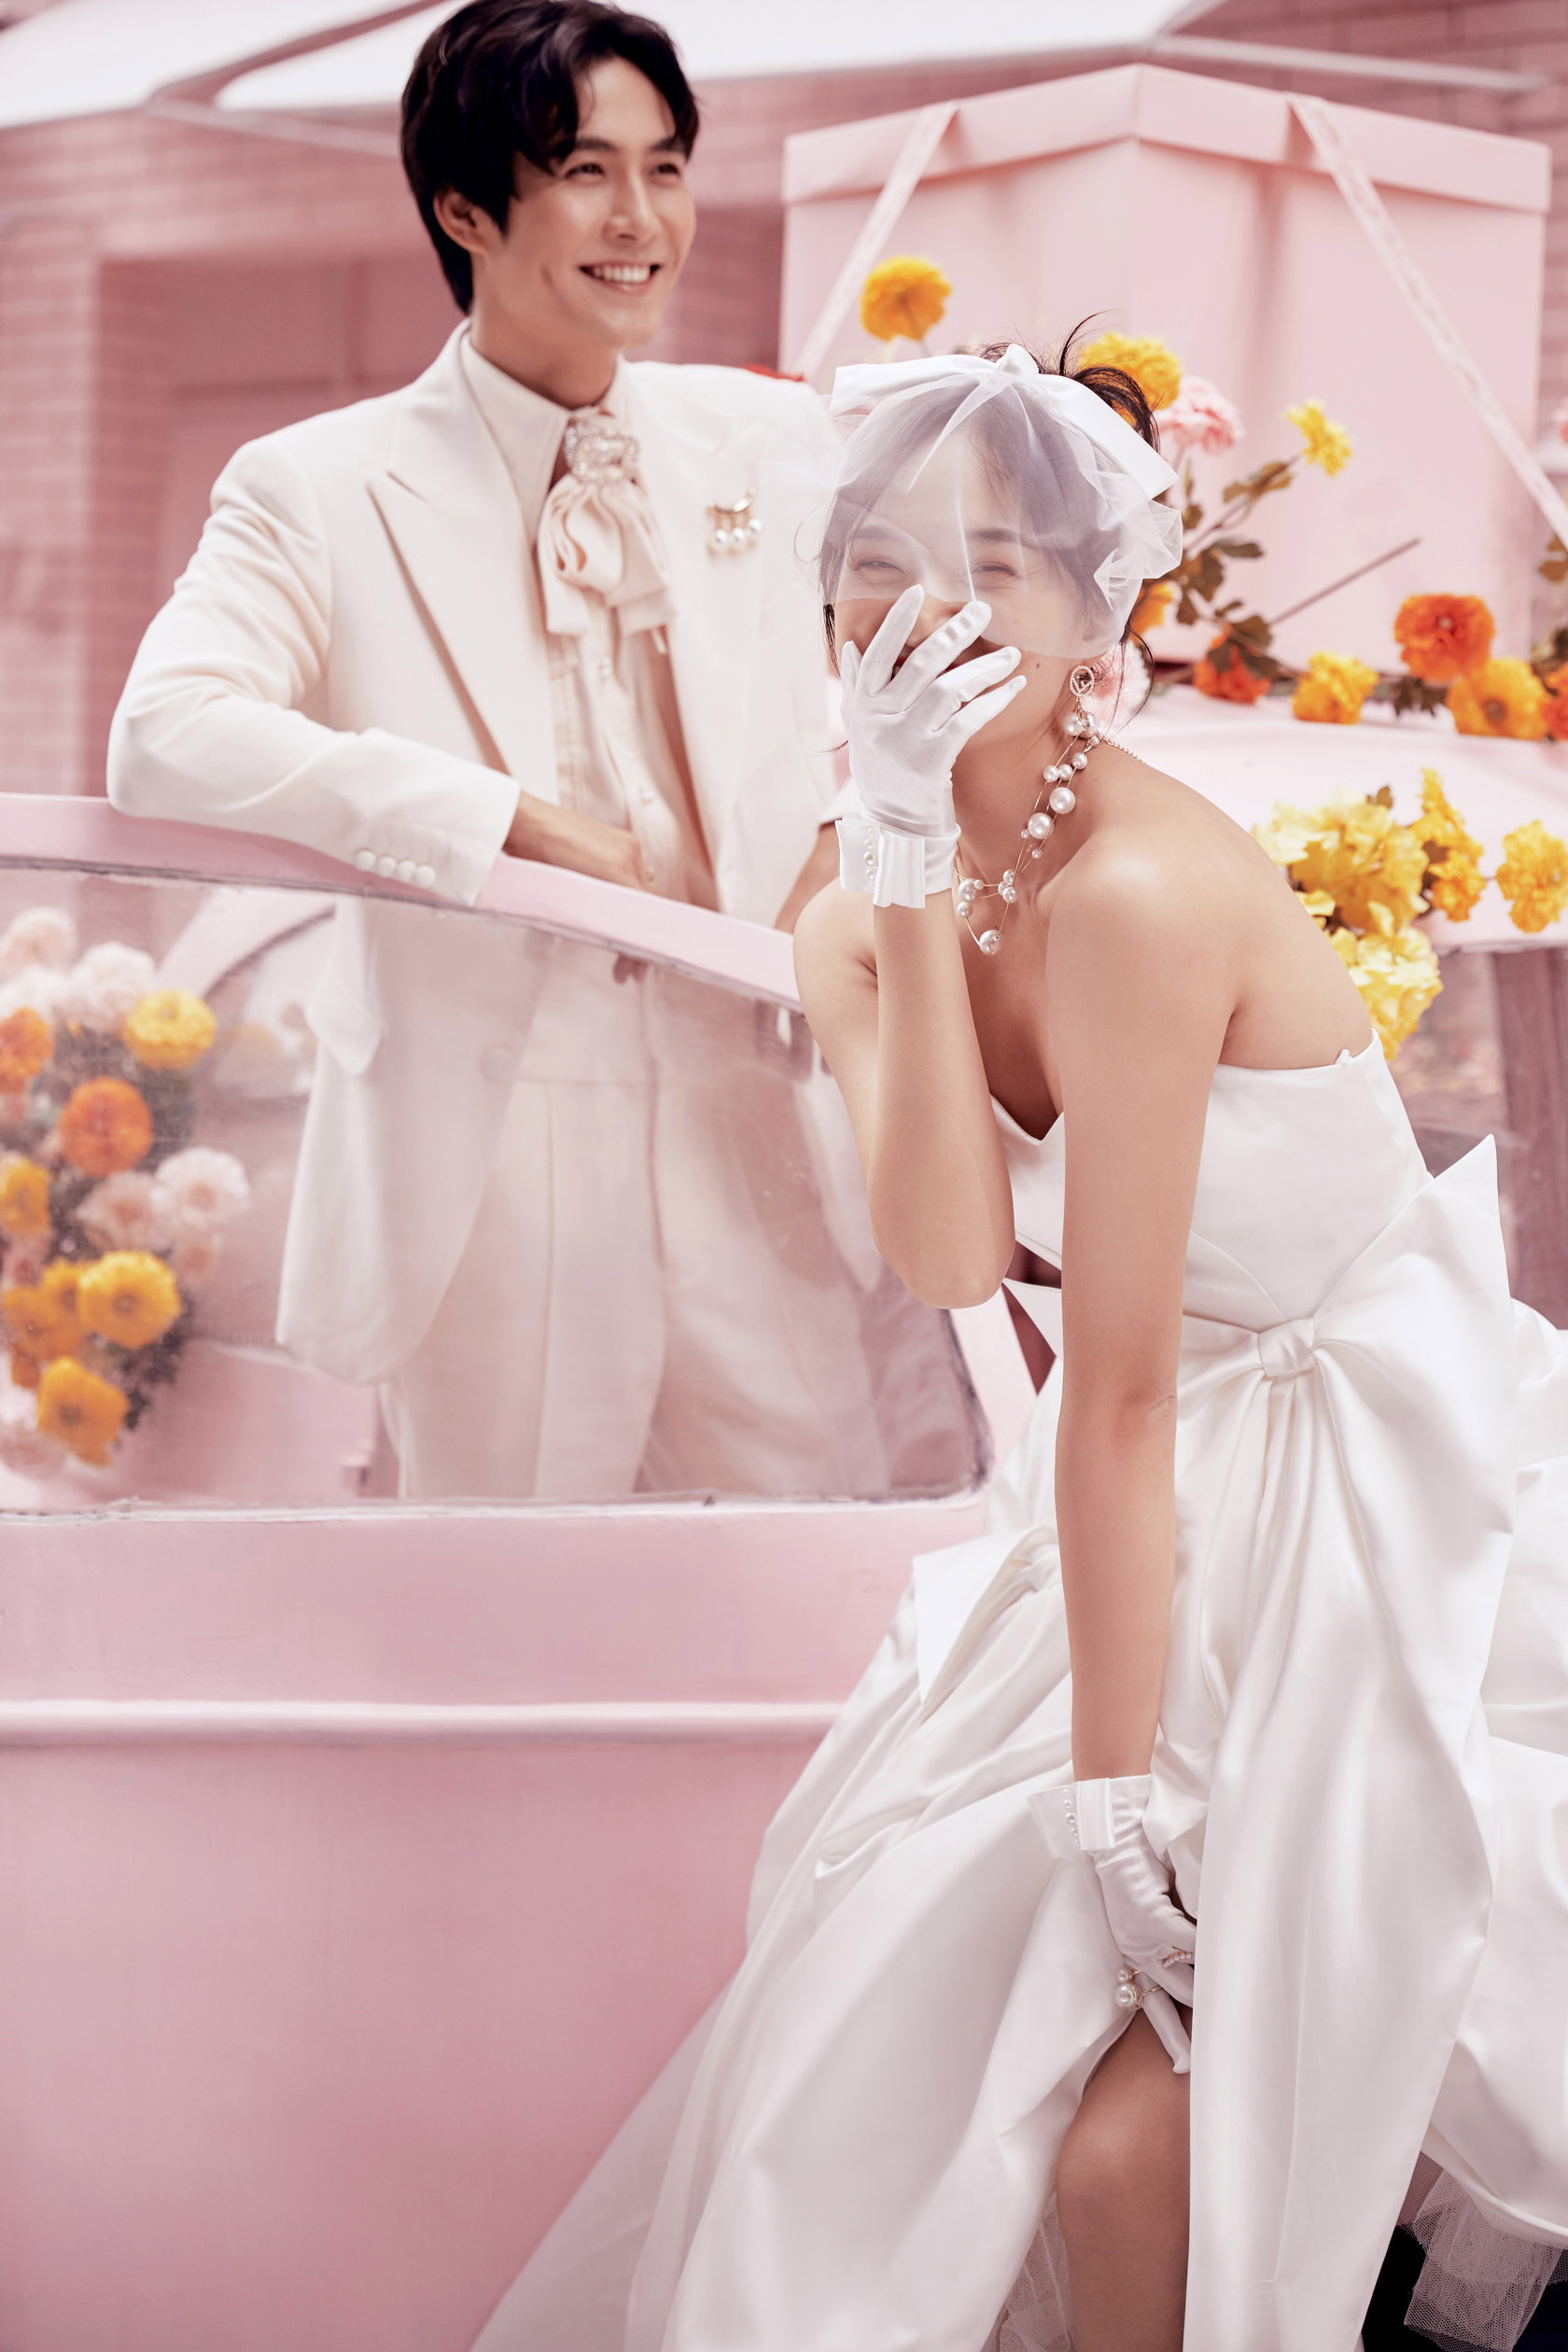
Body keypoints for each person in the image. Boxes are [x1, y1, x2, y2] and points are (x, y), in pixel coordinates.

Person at [470, 343, 1568, 2351]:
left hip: (1365, 1464)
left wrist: (1113, 1795)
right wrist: (895, 868)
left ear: (1096, 612)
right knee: (882, 1996)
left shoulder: (1145, 893)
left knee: (1152, 2115)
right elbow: (955, 1250)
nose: (930, 607)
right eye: (882, 560)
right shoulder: (853, 894)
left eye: (994, 564)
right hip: (1163, 1478)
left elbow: (1119, 1379)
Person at [106, 0, 875, 1501]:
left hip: (754, 1109)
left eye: (666, 168)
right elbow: (166, 733)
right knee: (512, 1572)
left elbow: (905, 677)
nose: (641, 219)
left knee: (811, 1539)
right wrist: (504, 821)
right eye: (586, 172)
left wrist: (841, 837)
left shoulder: (774, 441)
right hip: (493, 1151)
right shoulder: (317, 487)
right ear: (465, 208)